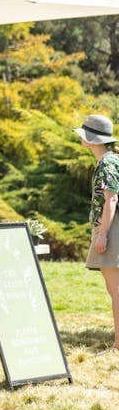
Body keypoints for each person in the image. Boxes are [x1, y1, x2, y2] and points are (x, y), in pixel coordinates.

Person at [75, 114, 119, 352]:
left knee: (116, 290)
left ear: (91, 139)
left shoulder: (107, 163)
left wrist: (102, 235)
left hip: (112, 230)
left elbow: (111, 201)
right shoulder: (112, 160)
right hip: (113, 228)